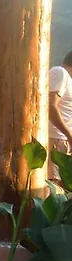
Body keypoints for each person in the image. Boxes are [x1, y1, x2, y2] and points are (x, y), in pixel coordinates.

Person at [48, 53, 72, 182]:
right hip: (56, 139)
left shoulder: (68, 80)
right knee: (54, 184)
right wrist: (69, 135)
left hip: (63, 140)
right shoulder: (60, 72)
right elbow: (50, 106)